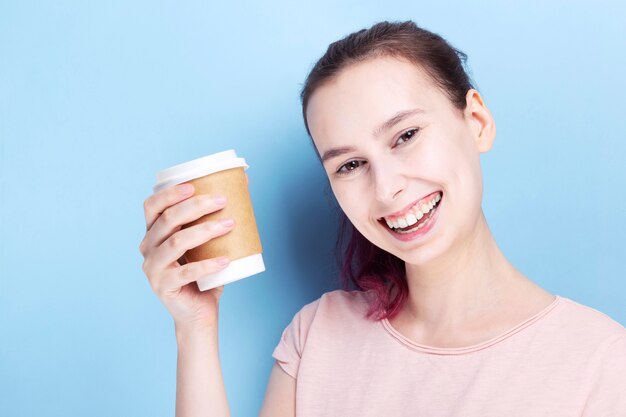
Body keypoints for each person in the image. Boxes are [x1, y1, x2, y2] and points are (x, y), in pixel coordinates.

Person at [139, 20, 626, 417]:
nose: (387, 187)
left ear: (475, 122)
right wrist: (195, 329)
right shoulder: (317, 336)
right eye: (349, 165)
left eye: (406, 135)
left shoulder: (601, 362)